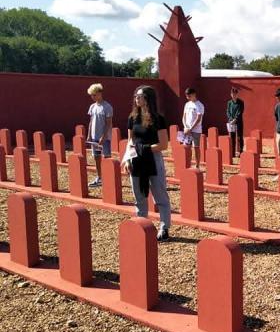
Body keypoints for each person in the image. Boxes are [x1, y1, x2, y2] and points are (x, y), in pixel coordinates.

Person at [123, 85, 172, 241]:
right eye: (136, 96)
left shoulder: (158, 119)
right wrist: (127, 159)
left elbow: (163, 145)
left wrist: (144, 149)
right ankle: (141, 225)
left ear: (148, 98)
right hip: (136, 160)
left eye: (140, 96)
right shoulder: (132, 118)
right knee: (139, 197)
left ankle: (164, 228)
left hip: (153, 159)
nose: (136, 98)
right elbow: (130, 141)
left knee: (160, 196)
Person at [86, 83, 113, 187]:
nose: (92, 97)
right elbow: (91, 121)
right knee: (97, 157)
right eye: (91, 95)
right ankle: (100, 177)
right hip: (94, 137)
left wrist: (104, 136)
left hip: (104, 138)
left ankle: (110, 177)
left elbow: (108, 123)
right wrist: (89, 135)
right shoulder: (92, 106)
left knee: (106, 157)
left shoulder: (107, 107)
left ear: (99, 93)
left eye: (94, 95)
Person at [182, 87, 205, 168]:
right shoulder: (187, 104)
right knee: (187, 147)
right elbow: (184, 117)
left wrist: (191, 128)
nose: (187, 97)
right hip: (187, 130)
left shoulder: (199, 105)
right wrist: (185, 127)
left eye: (189, 95)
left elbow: (198, 119)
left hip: (196, 130)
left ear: (194, 94)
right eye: (186, 96)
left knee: (196, 147)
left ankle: (197, 165)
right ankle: (188, 164)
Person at [226, 87, 244, 157]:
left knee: (239, 137)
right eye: (233, 94)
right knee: (232, 137)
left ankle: (240, 151)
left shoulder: (241, 102)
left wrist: (235, 119)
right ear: (231, 94)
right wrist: (231, 119)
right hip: (231, 123)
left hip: (238, 122)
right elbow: (227, 111)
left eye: (235, 94)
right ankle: (232, 152)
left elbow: (240, 112)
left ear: (237, 94)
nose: (234, 95)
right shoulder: (229, 103)